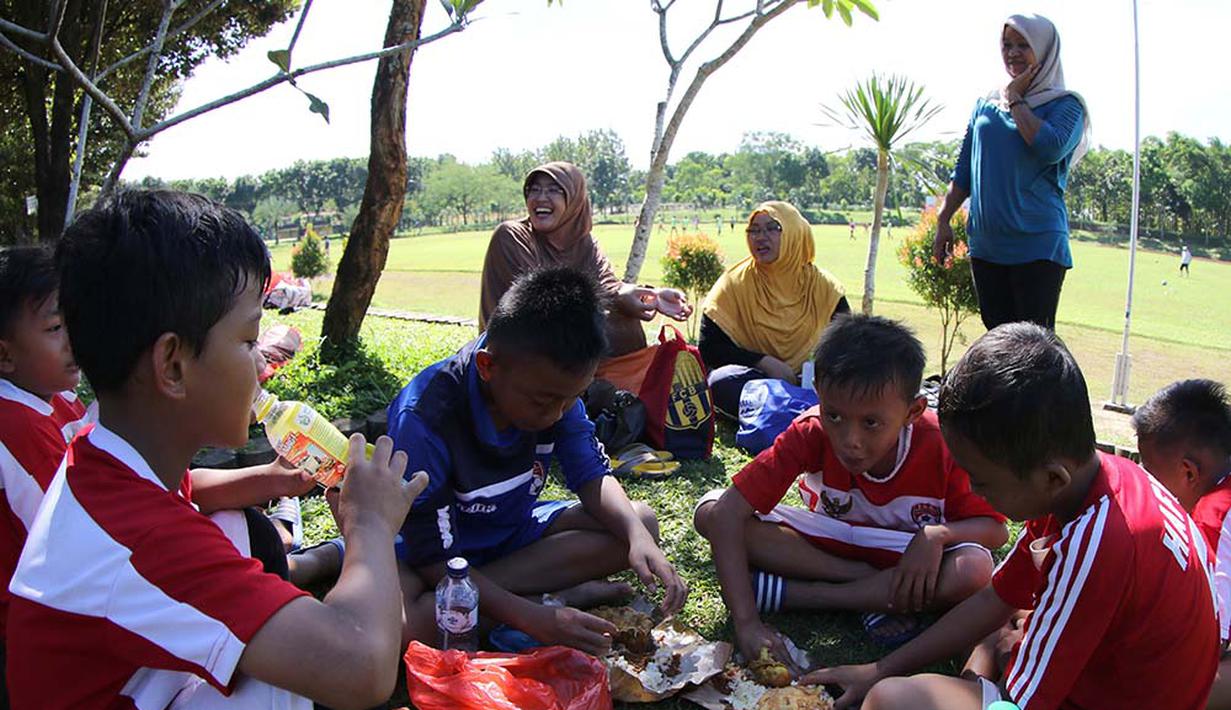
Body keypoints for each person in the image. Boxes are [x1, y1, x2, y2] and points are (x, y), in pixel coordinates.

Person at [8, 190, 428, 710]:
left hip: (140, 681)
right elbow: (362, 670)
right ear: (173, 366)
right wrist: (370, 527)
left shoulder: (109, 456)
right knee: (292, 683)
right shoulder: (136, 536)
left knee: (239, 532)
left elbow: (190, 502)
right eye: (250, 340)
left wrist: (273, 480)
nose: (260, 367)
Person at [808, 323, 1219, 710]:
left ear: (1051, 477)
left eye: (982, 480)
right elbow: (998, 596)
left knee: (893, 700)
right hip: (1127, 680)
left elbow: (1019, 704)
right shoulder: (1096, 480)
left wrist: (969, 678)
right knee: (996, 628)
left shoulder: (1098, 544)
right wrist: (878, 667)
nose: (970, 490)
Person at [391, 267, 687, 657]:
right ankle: (550, 598)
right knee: (407, 627)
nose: (556, 414)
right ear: (486, 366)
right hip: (438, 557)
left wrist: (637, 538)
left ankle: (506, 599)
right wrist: (533, 618)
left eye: (571, 400)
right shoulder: (424, 418)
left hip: (512, 536)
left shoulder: (549, 387)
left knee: (640, 522)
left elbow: (591, 475)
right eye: (543, 402)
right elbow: (433, 557)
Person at [693, 315, 1006, 666]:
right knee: (710, 511)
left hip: (905, 553)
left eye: (871, 423)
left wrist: (936, 536)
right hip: (833, 546)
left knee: (973, 569)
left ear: (913, 411)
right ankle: (869, 593)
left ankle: (799, 595)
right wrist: (746, 623)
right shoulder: (811, 431)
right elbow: (727, 513)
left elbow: (994, 529)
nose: (849, 441)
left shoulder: (941, 443)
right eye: (835, 416)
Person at [933, 14, 1090, 331]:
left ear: (1045, 52)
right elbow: (964, 171)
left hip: (1037, 247)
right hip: (988, 246)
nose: (1013, 53)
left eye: (1023, 45)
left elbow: (1049, 147)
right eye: (1007, 45)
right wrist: (943, 219)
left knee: (1033, 347)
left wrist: (1015, 98)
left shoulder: (1067, 106)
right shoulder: (986, 105)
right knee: (999, 341)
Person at [0, 246, 92, 705]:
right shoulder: (15, 424)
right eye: (56, 328)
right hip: (28, 635)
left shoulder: (55, 398)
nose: (74, 339)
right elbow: (83, 538)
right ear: (5, 355)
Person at [479, 161, 690, 357]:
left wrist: (649, 296)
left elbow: (607, 285)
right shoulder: (512, 236)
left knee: (625, 321)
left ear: (574, 200)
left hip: (564, 349)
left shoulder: (584, 243)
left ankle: (624, 387)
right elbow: (540, 305)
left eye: (554, 190)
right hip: (517, 353)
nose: (541, 198)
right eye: (534, 189)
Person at [1132, 379, 1231, 709]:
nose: (1144, 481)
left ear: (1189, 473)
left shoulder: (1213, 516)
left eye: (1148, 470)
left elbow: (1208, 639)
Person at [699, 201, 849, 417]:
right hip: (757, 381)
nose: (760, 237)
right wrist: (765, 362)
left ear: (794, 234)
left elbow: (847, 344)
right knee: (721, 382)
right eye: (754, 230)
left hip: (811, 382)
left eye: (772, 228)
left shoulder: (824, 287)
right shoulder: (733, 283)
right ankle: (806, 413)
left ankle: (796, 410)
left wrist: (815, 373)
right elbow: (710, 347)